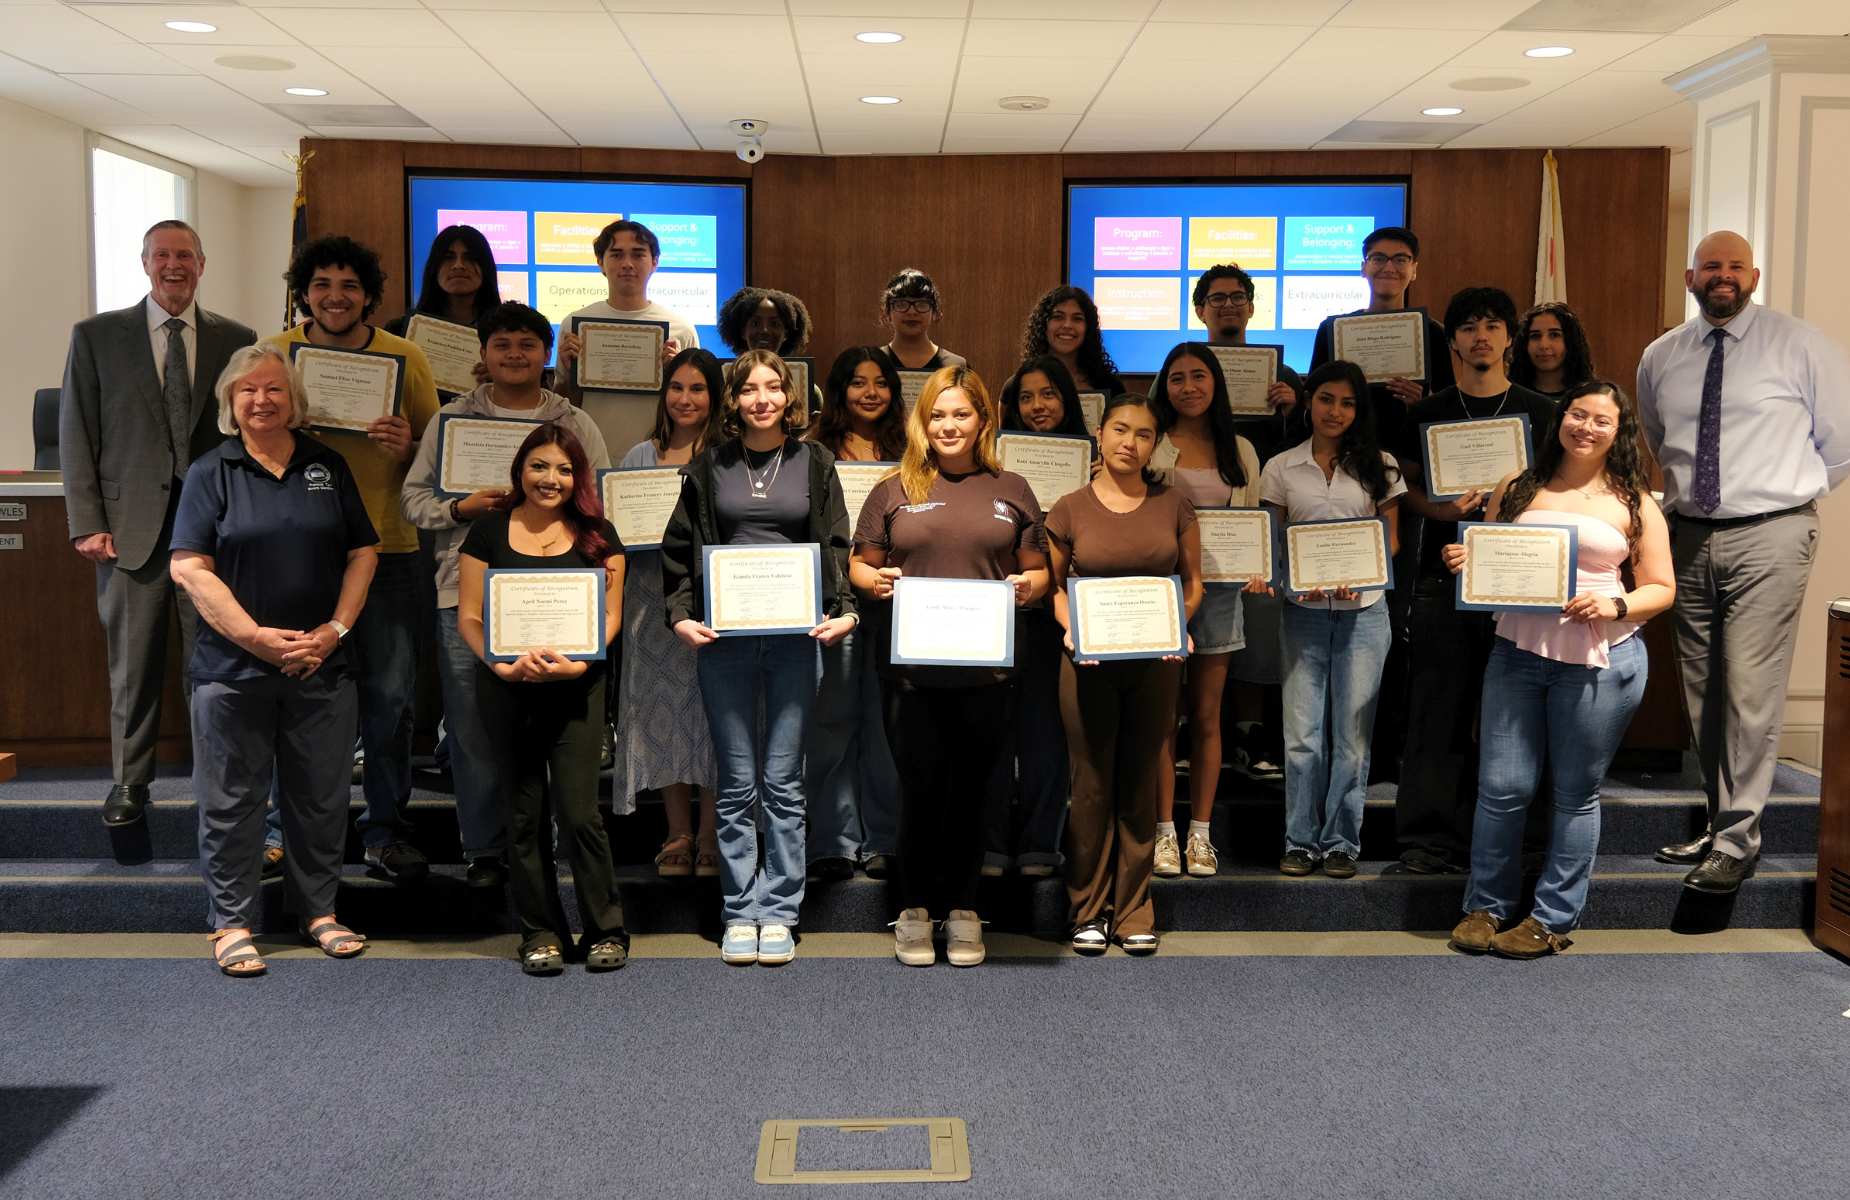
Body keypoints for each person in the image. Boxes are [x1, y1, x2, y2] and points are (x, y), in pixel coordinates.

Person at [1637, 230, 1850, 895]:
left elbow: (1839, 444)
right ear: (1689, 275)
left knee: (1750, 689)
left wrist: (1776, 500)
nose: (1722, 276)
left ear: (1753, 276)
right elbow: (1656, 436)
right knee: (1704, 692)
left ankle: (1736, 842)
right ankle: (1722, 821)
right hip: (1687, 536)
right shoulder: (1661, 355)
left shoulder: (1803, 344)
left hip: (1771, 534)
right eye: (1710, 267)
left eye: (1734, 266)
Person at [169, 343, 378, 976]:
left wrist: (335, 630)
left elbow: (363, 552)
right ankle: (232, 923)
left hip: (321, 666)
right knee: (232, 801)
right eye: (247, 391)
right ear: (231, 404)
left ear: (294, 399)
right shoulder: (212, 471)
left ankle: (318, 912)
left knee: (319, 799)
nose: (262, 400)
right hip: (233, 672)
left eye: (274, 389)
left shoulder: (328, 465)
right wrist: (255, 637)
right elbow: (189, 567)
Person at [1445, 382, 1672, 958]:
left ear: (1618, 432)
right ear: (1561, 419)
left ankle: (1551, 917)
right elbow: (1487, 559)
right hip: (1517, 651)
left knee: (1574, 794)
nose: (1586, 427)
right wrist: (1463, 559)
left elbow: (1662, 589)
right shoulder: (1517, 487)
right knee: (1502, 788)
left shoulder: (1636, 500)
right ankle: (1486, 906)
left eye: (1602, 420)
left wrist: (1615, 604)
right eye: (1577, 414)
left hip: (1601, 659)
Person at [400, 302, 609, 888]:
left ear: (547, 355)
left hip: (559, 597)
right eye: (502, 345)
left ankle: (549, 852)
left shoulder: (575, 422)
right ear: (484, 356)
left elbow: (598, 505)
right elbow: (411, 501)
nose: (515, 354)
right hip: (464, 599)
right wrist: (459, 509)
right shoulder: (450, 420)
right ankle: (487, 851)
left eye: (526, 344)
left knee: (556, 732)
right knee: (473, 731)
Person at [661, 350, 859, 966]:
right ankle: (738, 911)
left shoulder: (815, 461)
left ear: (789, 397)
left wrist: (846, 608)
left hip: (799, 637)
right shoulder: (707, 466)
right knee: (737, 781)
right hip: (725, 639)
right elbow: (679, 548)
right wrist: (679, 614)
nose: (762, 398)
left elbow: (835, 542)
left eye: (774, 387)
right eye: (749, 389)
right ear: (734, 400)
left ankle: (779, 911)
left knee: (783, 780)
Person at [59, 219, 257, 828]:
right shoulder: (96, 335)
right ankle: (129, 783)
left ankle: (217, 777)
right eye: (162, 255)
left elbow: (246, 430)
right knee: (133, 664)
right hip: (128, 532)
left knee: (216, 663)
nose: (174, 266)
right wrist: (86, 520)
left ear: (203, 263)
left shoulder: (236, 337)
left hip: (213, 536)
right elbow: (76, 431)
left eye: (185, 256)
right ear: (144, 263)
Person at [852, 366, 1049, 967]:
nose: (948, 425)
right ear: (923, 421)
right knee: (920, 791)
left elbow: (1040, 571)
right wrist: (876, 581)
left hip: (987, 674)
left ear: (982, 420)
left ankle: (963, 908)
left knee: (973, 793)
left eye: (960, 414)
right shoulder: (893, 488)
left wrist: (1027, 587)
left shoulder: (1011, 486)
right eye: (938, 414)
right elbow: (860, 567)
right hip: (910, 673)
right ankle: (914, 910)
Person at [264, 236, 441, 884]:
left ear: (369, 294)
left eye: (348, 285)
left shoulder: (406, 357)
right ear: (303, 292)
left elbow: (438, 451)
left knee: (391, 701)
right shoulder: (275, 356)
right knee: (299, 696)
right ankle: (288, 833)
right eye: (321, 285)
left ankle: (386, 831)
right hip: (302, 555)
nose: (334, 296)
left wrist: (409, 440)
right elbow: (241, 433)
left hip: (390, 551)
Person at [1391, 287, 1559, 875]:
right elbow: (1404, 490)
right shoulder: (1427, 411)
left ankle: (1529, 841)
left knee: (1521, 716)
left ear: (1510, 338)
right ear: (1453, 340)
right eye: (1467, 327)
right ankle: (1427, 839)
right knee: (1436, 712)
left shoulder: (1541, 411)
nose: (1480, 336)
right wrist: (1440, 512)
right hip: (1445, 577)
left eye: (1492, 325)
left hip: (1520, 581)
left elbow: (1561, 492)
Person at [458, 424, 628, 975]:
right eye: (538, 466)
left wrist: (580, 662)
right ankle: (541, 932)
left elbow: (611, 617)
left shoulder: (600, 534)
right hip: (507, 690)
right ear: (519, 470)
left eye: (562, 469)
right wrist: (503, 664)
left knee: (580, 814)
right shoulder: (487, 532)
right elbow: (469, 617)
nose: (549, 479)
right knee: (523, 814)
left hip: (578, 689)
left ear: (578, 476)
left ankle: (607, 928)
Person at [1047, 393, 1203, 956]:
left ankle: (1135, 909)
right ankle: (1086, 909)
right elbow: (1057, 588)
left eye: (1142, 434)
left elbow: (1193, 586)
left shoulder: (1174, 504)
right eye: (1119, 429)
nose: (1129, 443)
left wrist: (1176, 626)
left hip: (1157, 663)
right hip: (1085, 663)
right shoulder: (1068, 507)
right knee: (1090, 786)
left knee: (1138, 783)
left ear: (1154, 443)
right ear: (1099, 431)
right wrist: (1072, 630)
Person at [1310, 227, 1455, 788]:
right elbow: (1318, 393)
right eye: (1378, 259)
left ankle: (1385, 746)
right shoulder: (1335, 330)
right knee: (1329, 607)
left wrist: (1427, 402)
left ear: (1414, 269)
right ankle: (1328, 742)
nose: (1389, 267)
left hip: (1408, 490)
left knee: (1392, 617)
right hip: (1341, 485)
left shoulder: (1435, 334)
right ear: (1363, 267)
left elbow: (1452, 414)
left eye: (1400, 260)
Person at [1259, 360, 1405, 878]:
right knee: (1301, 737)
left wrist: (1360, 573)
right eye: (1325, 399)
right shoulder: (1279, 467)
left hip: (1364, 613)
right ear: (1307, 401)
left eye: (1347, 402)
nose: (1335, 411)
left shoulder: (1381, 465)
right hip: (1301, 614)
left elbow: (1390, 541)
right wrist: (1265, 573)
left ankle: (1341, 841)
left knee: (1352, 737)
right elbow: (1274, 543)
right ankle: (1299, 840)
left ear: (1358, 409)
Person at [1148, 344, 1265, 878]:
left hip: (1218, 593)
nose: (1188, 387)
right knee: (1161, 716)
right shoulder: (1151, 442)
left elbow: (1255, 522)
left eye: (1199, 376)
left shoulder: (1238, 447)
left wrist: (1258, 565)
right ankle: (1163, 834)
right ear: (1163, 385)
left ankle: (1200, 834)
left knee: (1207, 716)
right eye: (1177, 378)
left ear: (1216, 383)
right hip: (1158, 593)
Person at [615, 347, 726, 879]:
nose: (685, 398)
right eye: (676, 387)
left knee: (709, 712)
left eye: (698, 388)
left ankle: (710, 832)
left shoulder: (729, 455)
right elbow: (619, 533)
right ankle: (677, 831)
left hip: (712, 601)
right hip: (648, 603)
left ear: (714, 396)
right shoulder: (640, 456)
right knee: (661, 715)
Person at [1192, 266, 1300, 788]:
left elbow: (1306, 445)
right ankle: (1196, 730)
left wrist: (1292, 409)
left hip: (1260, 522)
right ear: (1200, 311)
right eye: (1217, 299)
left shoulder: (1282, 374)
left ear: (1252, 308)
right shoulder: (1185, 369)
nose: (1228, 305)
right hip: (1194, 531)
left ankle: (1251, 733)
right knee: (1198, 631)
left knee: (1256, 625)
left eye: (1238, 297)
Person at [983, 355, 1089, 879]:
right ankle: (993, 843)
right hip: (1000, 607)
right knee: (996, 731)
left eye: (1048, 394)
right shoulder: (992, 468)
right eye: (1026, 397)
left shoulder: (1093, 470)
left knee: (1046, 732)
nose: (1037, 405)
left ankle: (1040, 844)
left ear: (1067, 400)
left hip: (1060, 614)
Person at [801, 348, 905, 880]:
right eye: (858, 382)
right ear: (838, 389)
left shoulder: (914, 452)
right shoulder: (811, 452)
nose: (870, 392)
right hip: (832, 602)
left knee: (888, 725)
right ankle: (832, 840)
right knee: (832, 722)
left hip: (898, 604)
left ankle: (884, 837)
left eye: (881, 383)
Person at [557, 219, 700, 455]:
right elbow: (565, 406)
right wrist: (572, 372)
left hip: (659, 457)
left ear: (654, 263)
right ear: (600, 263)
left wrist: (675, 376)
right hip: (589, 455)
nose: (627, 264)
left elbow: (695, 407)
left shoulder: (681, 329)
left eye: (638, 255)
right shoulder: (574, 325)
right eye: (616, 255)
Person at [384, 224, 502, 339]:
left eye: (470, 258)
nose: (458, 265)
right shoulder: (401, 331)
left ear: (486, 268)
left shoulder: (506, 330)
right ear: (434, 268)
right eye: (448, 258)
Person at [1019, 285, 1123, 398]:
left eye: (1077, 319)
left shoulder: (1111, 386)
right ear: (1042, 325)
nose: (1067, 325)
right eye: (1058, 317)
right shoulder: (1017, 385)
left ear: (1088, 328)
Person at [877, 268, 966, 371]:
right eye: (901, 304)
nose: (911, 311)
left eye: (922, 304)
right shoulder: (872, 364)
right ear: (887, 311)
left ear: (933, 311)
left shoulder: (954, 366)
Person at [1511, 301, 1596, 401]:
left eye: (1554, 335)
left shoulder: (1592, 397)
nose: (1543, 345)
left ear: (1571, 341)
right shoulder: (1511, 397)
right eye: (1535, 336)